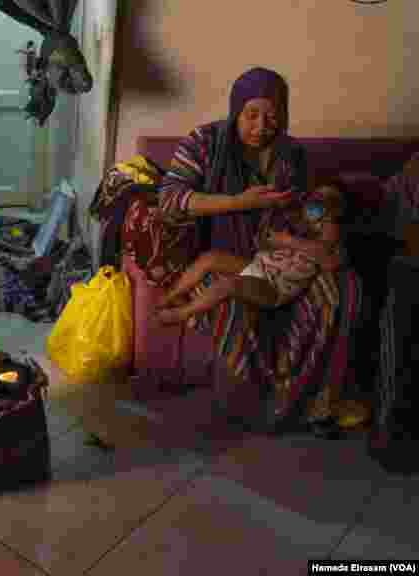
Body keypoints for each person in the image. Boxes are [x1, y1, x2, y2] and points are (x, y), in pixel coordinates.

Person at [122, 67, 363, 432]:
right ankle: (264, 403)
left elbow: (307, 208)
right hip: (224, 253)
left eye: (272, 116)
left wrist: (313, 213)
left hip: (277, 258)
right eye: (251, 115)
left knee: (338, 291)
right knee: (233, 301)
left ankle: (309, 401)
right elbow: (170, 200)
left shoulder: (291, 153)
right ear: (236, 110)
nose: (261, 125)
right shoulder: (204, 142)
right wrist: (237, 202)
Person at [156, 181, 343, 325]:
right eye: (315, 203)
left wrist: (289, 241)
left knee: (229, 285)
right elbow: (268, 244)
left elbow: (329, 260)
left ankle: (182, 313)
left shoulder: (331, 244)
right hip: (259, 267)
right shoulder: (301, 226)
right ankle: (171, 295)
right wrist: (274, 240)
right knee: (210, 258)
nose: (318, 214)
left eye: (326, 211)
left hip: (273, 288)